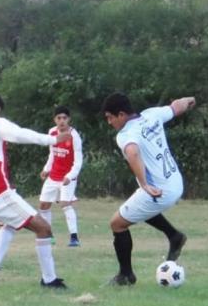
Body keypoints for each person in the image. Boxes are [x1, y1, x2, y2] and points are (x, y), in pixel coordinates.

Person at [0, 88, 71, 288]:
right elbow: (20, 135)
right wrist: (53, 139)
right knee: (43, 228)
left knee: (9, 225)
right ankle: (49, 280)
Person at [101, 92, 196, 285]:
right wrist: (189, 100)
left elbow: (133, 153)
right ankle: (174, 236)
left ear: (121, 114)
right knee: (138, 208)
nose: (110, 122)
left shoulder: (126, 134)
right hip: (176, 182)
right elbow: (176, 106)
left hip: (160, 191)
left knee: (117, 224)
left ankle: (126, 276)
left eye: (110, 117)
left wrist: (144, 184)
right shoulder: (152, 114)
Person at [38, 106, 83, 247]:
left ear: (69, 119)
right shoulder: (52, 132)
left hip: (67, 177)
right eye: (59, 118)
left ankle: (74, 238)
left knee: (65, 204)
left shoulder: (74, 136)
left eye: (64, 118)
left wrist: (70, 176)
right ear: (55, 119)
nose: (62, 121)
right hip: (54, 176)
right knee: (43, 205)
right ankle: (48, 235)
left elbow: (78, 160)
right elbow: (52, 153)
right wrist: (46, 169)